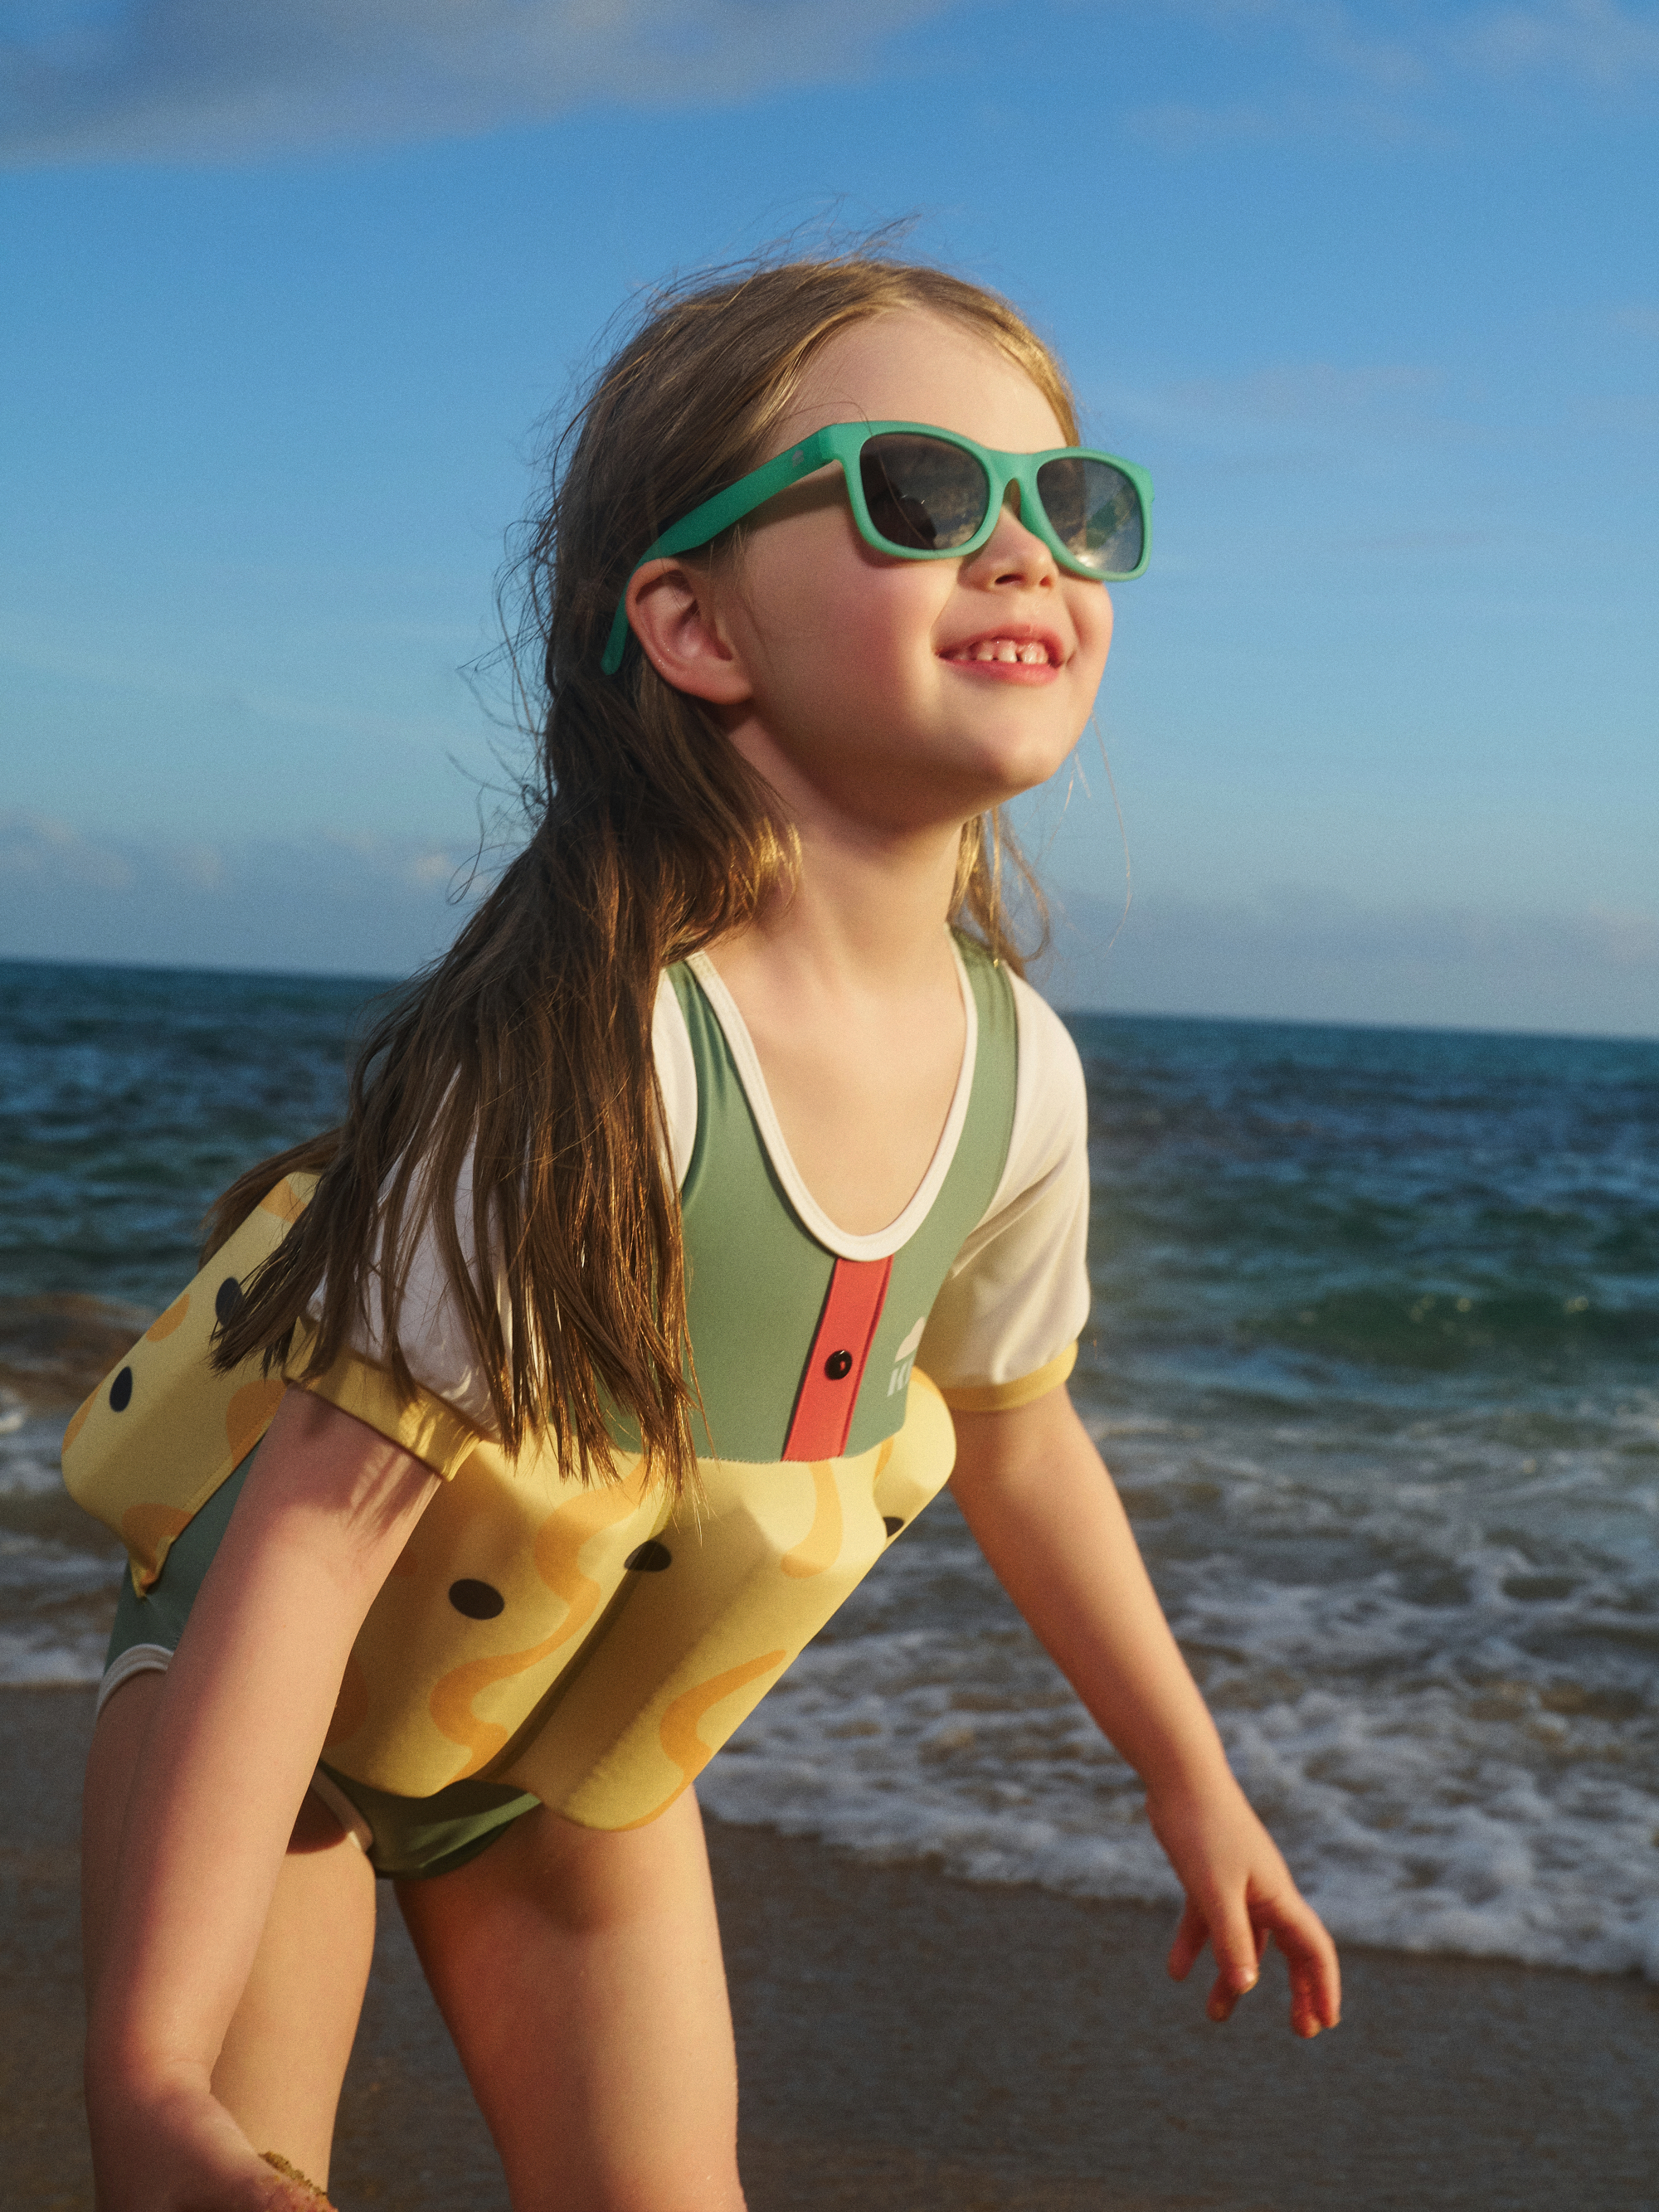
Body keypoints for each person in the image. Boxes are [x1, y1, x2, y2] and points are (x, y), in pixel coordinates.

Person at [75, 253, 1340, 2212]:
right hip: (278, 1733)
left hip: (567, 1760)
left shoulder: (1018, 1073)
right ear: (693, 623)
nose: (1022, 549)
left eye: (1069, 502)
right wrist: (150, 2070)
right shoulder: (605, 1051)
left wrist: (1192, 1777)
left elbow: (1013, 1431)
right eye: (922, 494)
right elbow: (314, 1537)